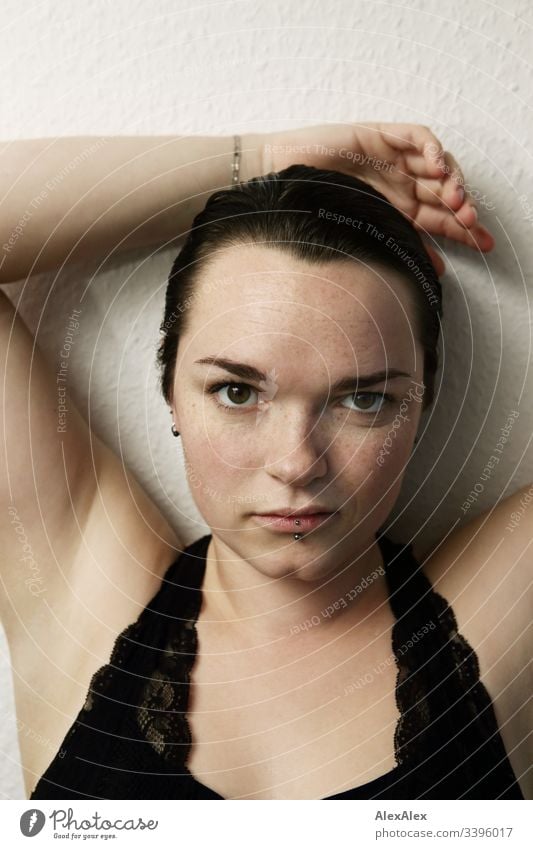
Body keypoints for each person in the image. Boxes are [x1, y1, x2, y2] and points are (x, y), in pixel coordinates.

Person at [0, 125, 529, 800]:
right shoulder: (83, 594)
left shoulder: (505, 610)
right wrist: (253, 159)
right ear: (170, 393)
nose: (296, 463)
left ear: (423, 403)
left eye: (364, 398)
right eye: (238, 391)